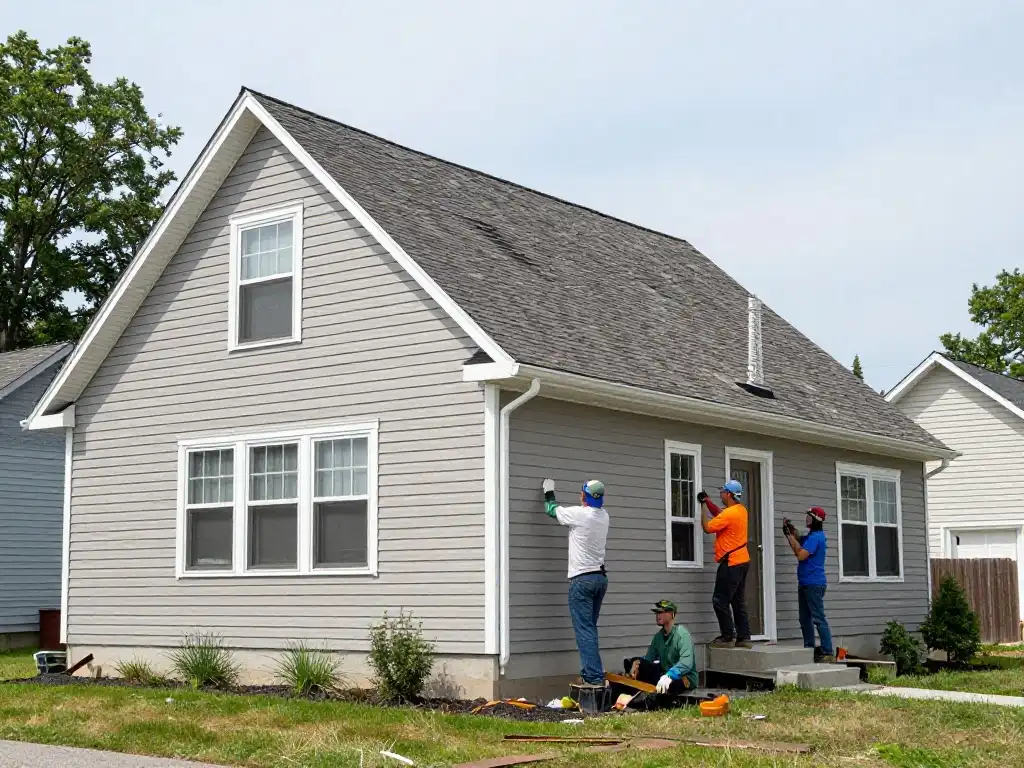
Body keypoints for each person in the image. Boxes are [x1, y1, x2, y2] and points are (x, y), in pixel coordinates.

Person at [542, 477, 610, 687]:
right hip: (600, 579)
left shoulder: (580, 514)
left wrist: (548, 492)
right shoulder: (604, 516)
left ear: (584, 496)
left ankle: (593, 677)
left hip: (582, 581)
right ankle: (593, 672)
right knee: (589, 628)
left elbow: (551, 510)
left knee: (585, 630)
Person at [699, 479, 752, 648]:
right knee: (737, 601)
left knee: (720, 600)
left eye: (723, 491)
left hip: (731, 563)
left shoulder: (730, 514)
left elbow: (708, 527)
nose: (720, 494)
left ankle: (728, 636)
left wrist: (703, 506)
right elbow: (720, 515)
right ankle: (744, 637)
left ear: (729, 494)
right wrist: (709, 502)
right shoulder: (740, 510)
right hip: (742, 560)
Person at [783, 506, 834, 662]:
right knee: (804, 619)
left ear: (816, 519)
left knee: (818, 618)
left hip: (814, 584)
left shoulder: (816, 537)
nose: (806, 518)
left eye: (809, 516)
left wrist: (789, 536)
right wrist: (792, 532)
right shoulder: (811, 536)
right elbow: (800, 540)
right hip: (805, 583)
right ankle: (809, 649)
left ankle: (827, 652)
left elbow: (800, 555)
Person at [624, 599, 698, 694]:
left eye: (661, 612)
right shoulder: (659, 637)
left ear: (671, 614)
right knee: (638, 665)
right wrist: (637, 662)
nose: (658, 616)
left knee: (669, 687)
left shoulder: (682, 634)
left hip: (683, 678)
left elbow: (686, 663)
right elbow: (649, 659)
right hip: (664, 675)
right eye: (656, 613)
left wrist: (670, 675)